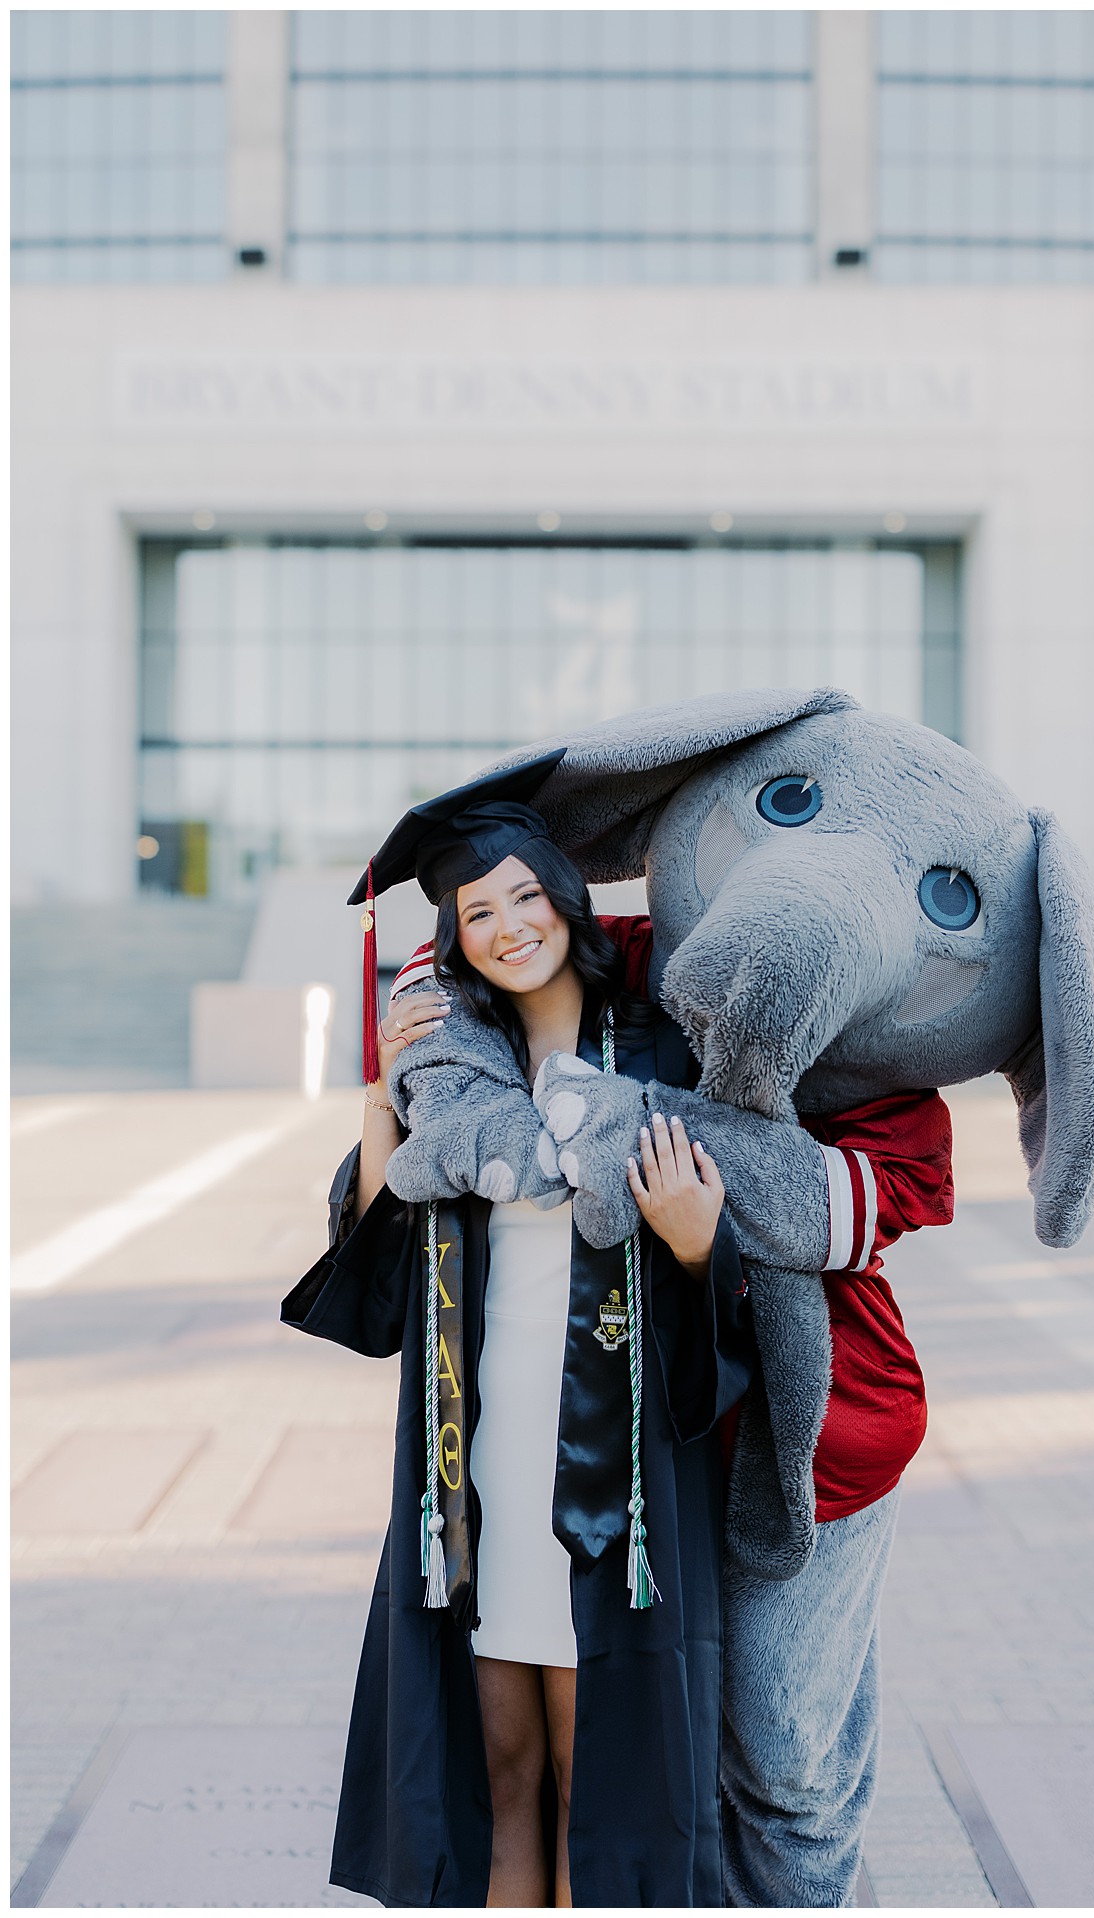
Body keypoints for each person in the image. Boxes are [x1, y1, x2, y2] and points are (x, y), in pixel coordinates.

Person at [282, 772, 756, 1906]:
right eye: (476, 914)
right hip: (478, 1471)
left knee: (601, 1776)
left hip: (619, 1480)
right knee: (502, 1770)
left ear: (564, 898)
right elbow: (378, 1277)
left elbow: (731, 1288)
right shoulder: (455, 1081)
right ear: (452, 940)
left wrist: (699, 1247)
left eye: (522, 897)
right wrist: (380, 1097)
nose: (508, 927)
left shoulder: (657, 1057)